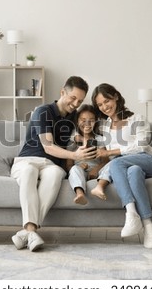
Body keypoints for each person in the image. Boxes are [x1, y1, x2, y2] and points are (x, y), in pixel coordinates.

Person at [10, 76, 95, 252]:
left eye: (80, 101)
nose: (75, 103)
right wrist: (74, 153)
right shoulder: (43, 111)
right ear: (62, 92)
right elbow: (48, 146)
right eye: (73, 98)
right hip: (28, 160)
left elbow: (87, 125)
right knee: (28, 172)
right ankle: (31, 230)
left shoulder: (74, 117)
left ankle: (27, 233)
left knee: (57, 173)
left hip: (51, 165)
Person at [91, 83, 152, 249]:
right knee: (133, 171)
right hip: (126, 167)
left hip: (147, 160)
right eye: (100, 105)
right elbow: (104, 154)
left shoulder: (136, 118)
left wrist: (111, 153)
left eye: (106, 101)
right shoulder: (104, 127)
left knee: (118, 161)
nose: (104, 107)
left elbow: (141, 146)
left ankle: (131, 213)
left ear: (116, 96)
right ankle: (148, 228)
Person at [65, 104, 110, 205]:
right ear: (77, 121)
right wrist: (78, 166)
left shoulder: (99, 139)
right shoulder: (73, 140)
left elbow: (106, 161)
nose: (87, 124)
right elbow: (69, 164)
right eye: (83, 120)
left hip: (97, 171)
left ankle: (100, 187)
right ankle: (80, 194)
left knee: (112, 165)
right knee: (74, 169)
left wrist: (96, 169)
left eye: (91, 120)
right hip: (80, 169)